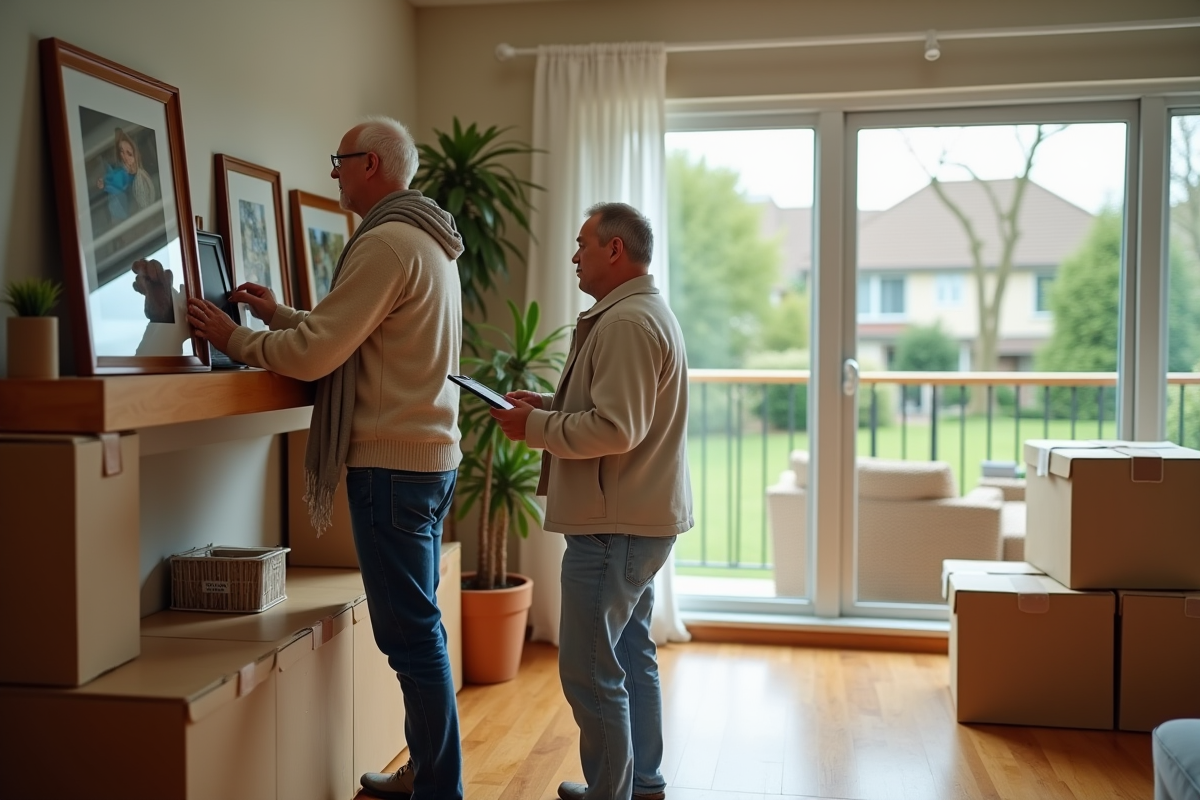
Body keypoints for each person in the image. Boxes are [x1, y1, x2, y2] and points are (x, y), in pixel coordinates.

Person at [186, 116, 465, 800]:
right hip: (427, 460)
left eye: (340, 160)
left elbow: (317, 355)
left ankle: (439, 788)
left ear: (371, 164)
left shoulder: (386, 243)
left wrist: (234, 338)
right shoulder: (426, 238)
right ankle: (429, 772)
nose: (333, 172)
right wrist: (279, 315)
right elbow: (354, 334)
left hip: (393, 469)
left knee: (410, 637)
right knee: (419, 630)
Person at [490, 202, 693, 800]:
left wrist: (535, 428)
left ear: (615, 250)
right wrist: (548, 410)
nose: (574, 256)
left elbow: (616, 429)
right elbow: (617, 414)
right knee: (629, 653)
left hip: (614, 526)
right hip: (634, 518)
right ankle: (640, 782)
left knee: (590, 669)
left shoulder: (626, 322)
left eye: (583, 244)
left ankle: (612, 791)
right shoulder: (638, 313)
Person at [95, 128, 155, 224]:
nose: (124, 156)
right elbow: (113, 179)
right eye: (121, 151)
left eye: (129, 154)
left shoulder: (141, 177)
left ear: (137, 155)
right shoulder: (120, 171)